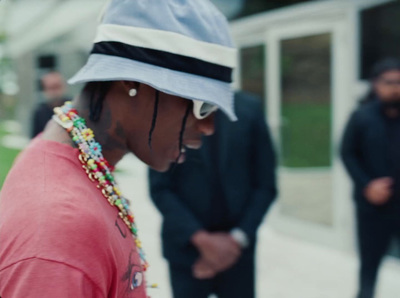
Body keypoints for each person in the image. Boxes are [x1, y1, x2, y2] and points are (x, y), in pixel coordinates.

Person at [0, 1, 237, 297]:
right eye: (204, 105)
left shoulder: (74, 163)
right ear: (132, 80)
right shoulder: (58, 233)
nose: (209, 126)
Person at [149, 91, 277, 298]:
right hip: (187, 250)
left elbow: (265, 185)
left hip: (237, 252)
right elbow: (160, 188)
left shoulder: (249, 110)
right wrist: (203, 240)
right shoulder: (169, 109)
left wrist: (235, 241)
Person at [341, 58, 400, 298]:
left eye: (399, 82)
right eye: (389, 82)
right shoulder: (361, 117)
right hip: (372, 207)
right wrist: (367, 185)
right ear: (376, 84)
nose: (395, 87)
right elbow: (347, 153)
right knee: (369, 266)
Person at [31, 71, 70, 138]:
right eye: (51, 88)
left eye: (57, 87)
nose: (55, 92)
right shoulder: (39, 112)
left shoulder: (72, 106)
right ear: (44, 89)